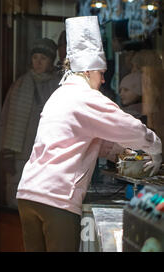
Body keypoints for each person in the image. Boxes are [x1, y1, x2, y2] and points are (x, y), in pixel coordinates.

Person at [16, 16, 162, 252]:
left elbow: (82, 139)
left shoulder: (60, 94)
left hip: (28, 195)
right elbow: (129, 127)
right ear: (90, 70)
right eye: (101, 72)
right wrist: (155, 147)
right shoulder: (86, 97)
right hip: (57, 198)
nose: (103, 79)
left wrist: (118, 152)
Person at [0, 38, 60, 208]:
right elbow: (6, 119)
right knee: (16, 196)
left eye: (43, 58)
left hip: (48, 152)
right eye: (35, 57)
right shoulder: (20, 85)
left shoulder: (58, 85)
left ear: (51, 60)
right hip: (20, 153)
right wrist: (7, 153)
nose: (38, 62)